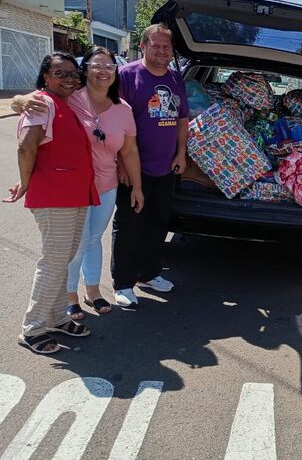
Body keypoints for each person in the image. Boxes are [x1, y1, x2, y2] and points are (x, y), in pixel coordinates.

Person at [11, 47, 144, 319]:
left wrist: (138, 187)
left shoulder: (123, 108)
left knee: (94, 239)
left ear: (116, 72)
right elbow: (35, 101)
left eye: (109, 66)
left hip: (106, 184)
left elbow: (129, 151)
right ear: (87, 70)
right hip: (72, 186)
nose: (103, 71)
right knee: (77, 243)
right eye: (97, 65)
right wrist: (19, 99)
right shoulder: (70, 96)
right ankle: (68, 295)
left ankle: (92, 290)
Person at [4, 53, 99, 354]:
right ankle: (32, 329)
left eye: (74, 74)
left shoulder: (65, 103)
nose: (69, 79)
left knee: (66, 256)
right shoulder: (42, 102)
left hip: (73, 193)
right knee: (54, 260)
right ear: (46, 76)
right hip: (54, 195)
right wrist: (26, 183)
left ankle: (57, 316)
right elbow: (25, 147)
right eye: (61, 73)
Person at [112, 24, 188, 307]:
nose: (161, 51)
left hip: (165, 167)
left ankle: (149, 274)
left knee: (157, 223)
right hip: (134, 167)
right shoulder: (127, 75)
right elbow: (116, 119)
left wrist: (181, 154)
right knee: (130, 224)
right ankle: (123, 283)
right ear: (142, 46)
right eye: (155, 45)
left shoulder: (176, 79)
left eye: (166, 47)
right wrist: (120, 161)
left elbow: (182, 119)